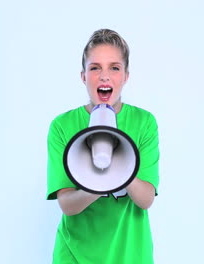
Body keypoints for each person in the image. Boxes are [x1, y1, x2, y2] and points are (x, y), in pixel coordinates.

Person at [46, 28, 160, 264]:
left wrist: (121, 172)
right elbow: (67, 205)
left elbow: (146, 199)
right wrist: (100, 181)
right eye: (95, 67)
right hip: (74, 255)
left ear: (126, 76)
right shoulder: (62, 126)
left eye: (114, 68)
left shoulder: (144, 123)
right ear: (83, 76)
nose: (104, 76)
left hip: (130, 255)